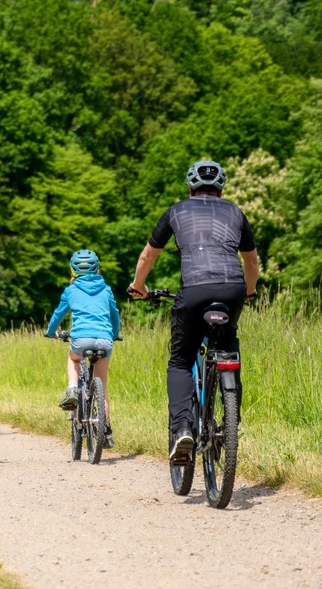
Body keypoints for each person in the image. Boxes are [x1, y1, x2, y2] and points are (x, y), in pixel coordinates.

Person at [127, 160, 260, 464]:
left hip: (194, 290)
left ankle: (182, 428)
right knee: (228, 347)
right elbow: (251, 262)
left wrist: (139, 286)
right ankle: (230, 422)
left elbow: (149, 255)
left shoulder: (176, 210)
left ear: (190, 187)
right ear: (221, 189)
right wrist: (249, 291)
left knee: (180, 360)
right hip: (232, 289)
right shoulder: (236, 212)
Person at [44, 249, 121, 447]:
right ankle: (105, 431)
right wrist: (114, 333)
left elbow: (58, 315)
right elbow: (115, 315)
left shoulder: (70, 290)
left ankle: (72, 389)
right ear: (97, 268)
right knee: (102, 386)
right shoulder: (106, 289)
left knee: (73, 359)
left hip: (80, 340)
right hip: (105, 340)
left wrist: (51, 331)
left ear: (72, 269)